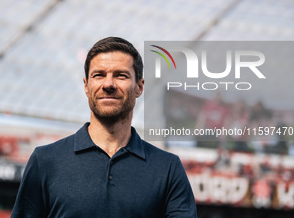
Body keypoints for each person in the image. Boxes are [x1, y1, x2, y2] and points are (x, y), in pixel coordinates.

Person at [11, 37, 197, 218]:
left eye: (121, 75)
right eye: (99, 75)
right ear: (86, 85)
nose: (108, 84)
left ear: (139, 87)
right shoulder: (45, 161)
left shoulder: (168, 168)